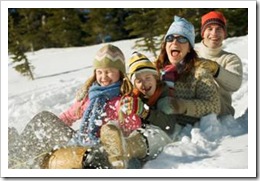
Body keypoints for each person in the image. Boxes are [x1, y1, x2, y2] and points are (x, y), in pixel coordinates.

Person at [42, 44, 145, 169]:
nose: (104, 76)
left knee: (100, 146)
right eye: (99, 72)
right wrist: (53, 127)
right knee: (45, 119)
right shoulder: (89, 98)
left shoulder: (123, 100)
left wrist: (125, 117)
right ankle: (25, 155)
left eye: (109, 72)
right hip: (81, 142)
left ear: (120, 73)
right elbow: (69, 115)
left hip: (107, 151)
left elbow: (134, 126)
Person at [100, 52, 177, 169]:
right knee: (118, 126)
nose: (144, 83)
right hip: (136, 138)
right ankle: (112, 139)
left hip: (160, 138)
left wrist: (145, 112)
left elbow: (169, 125)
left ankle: (124, 149)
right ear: (134, 84)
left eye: (148, 78)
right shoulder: (134, 97)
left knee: (152, 133)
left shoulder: (165, 95)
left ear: (156, 78)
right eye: (139, 80)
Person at [195, 11, 243, 117]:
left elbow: (235, 84)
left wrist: (216, 69)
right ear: (203, 33)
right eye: (210, 29)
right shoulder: (192, 54)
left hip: (221, 114)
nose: (214, 33)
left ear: (224, 34)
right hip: (193, 109)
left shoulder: (230, 59)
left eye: (219, 29)